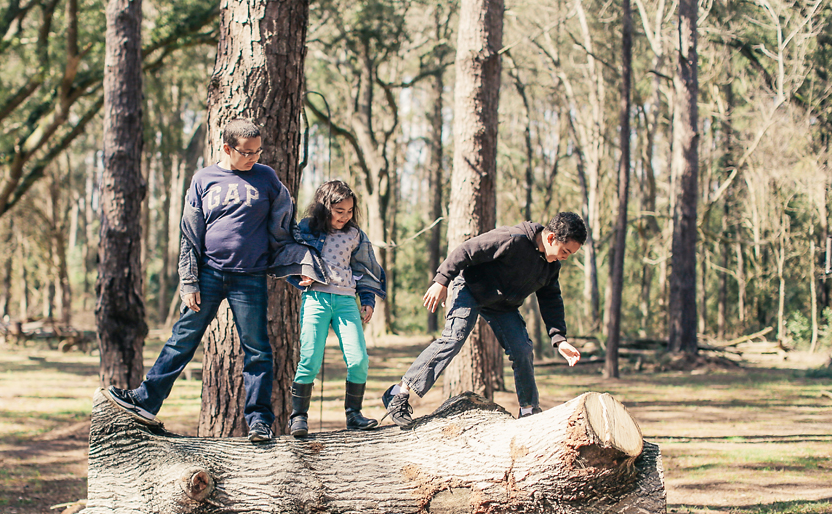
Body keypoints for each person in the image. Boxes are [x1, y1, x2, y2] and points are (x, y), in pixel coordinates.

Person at [105, 118, 294, 442]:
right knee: (182, 340)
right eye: (247, 152)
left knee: (258, 350)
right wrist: (189, 280)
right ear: (226, 148)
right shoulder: (204, 179)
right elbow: (189, 235)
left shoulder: (267, 178)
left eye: (258, 151)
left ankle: (260, 421)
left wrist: (289, 262)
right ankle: (147, 401)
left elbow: (283, 223)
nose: (254, 158)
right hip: (208, 275)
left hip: (249, 277)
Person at [381, 211, 587, 429]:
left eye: (569, 254)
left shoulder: (551, 266)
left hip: (503, 306)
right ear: (551, 237)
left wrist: (559, 339)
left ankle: (529, 412)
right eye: (565, 251)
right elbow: (466, 250)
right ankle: (398, 393)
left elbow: (551, 299)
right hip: (471, 288)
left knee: (523, 349)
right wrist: (442, 280)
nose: (565, 257)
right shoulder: (512, 239)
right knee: (454, 338)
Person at [269, 180, 386, 437]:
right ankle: (298, 417)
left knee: (359, 360)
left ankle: (353, 414)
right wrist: (301, 275)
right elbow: (289, 255)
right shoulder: (306, 229)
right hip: (316, 300)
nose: (345, 216)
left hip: (346, 303)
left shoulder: (356, 236)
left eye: (350, 211)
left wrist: (367, 301)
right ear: (324, 207)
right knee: (309, 360)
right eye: (339, 211)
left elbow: (365, 270)